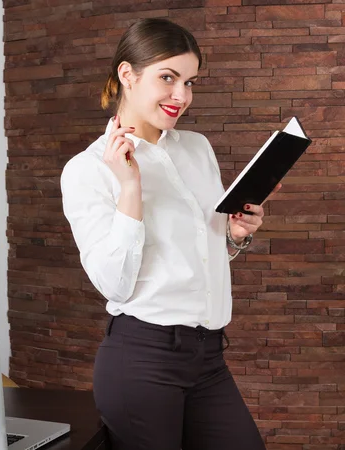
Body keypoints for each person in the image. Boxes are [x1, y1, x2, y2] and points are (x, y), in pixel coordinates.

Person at [60, 18, 280, 450]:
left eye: (189, 81)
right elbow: (116, 286)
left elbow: (197, 254)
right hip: (143, 359)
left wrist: (235, 234)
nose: (182, 96)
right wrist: (129, 187)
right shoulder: (86, 171)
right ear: (127, 75)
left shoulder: (197, 148)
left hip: (208, 356)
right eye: (168, 78)